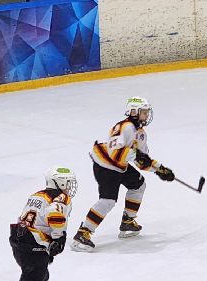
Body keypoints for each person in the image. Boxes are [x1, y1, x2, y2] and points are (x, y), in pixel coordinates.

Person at [72, 96, 174, 250]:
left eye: (147, 112)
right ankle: (83, 233)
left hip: (120, 166)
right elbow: (114, 152)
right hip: (105, 164)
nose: (147, 115)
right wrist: (136, 155)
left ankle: (127, 222)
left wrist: (160, 169)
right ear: (134, 112)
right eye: (144, 112)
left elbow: (142, 160)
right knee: (108, 200)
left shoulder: (141, 134)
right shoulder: (124, 127)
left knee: (139, 185)